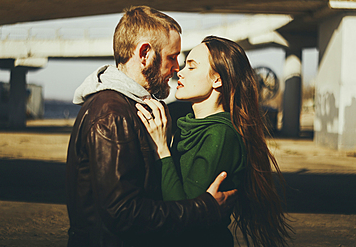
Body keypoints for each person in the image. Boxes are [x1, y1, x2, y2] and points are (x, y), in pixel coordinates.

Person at [65, 6, 237, 247]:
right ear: (145, 53)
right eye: (171, 57)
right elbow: (124, 214)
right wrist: (205, 207)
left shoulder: (133, 108)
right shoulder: (111, 114)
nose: (177, 67)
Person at [136, 36, 293, 246]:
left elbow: (183, 215)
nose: (179, 72)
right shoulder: (187, 125)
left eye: (191, 67)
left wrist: (162, 149)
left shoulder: (221, 134)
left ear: (217, 80)